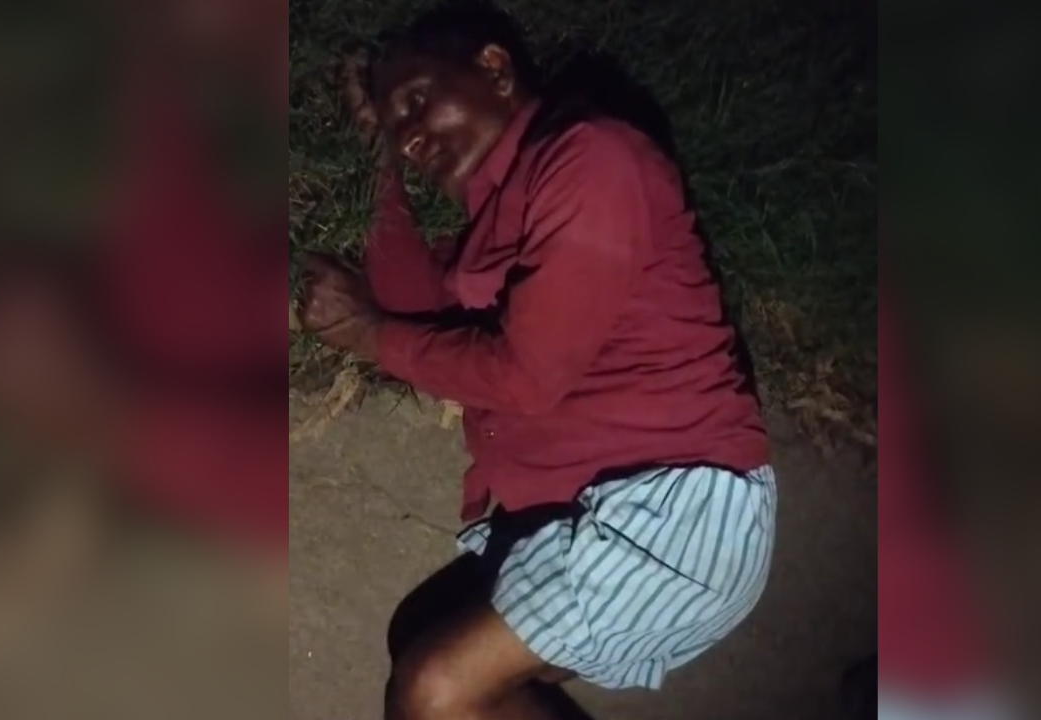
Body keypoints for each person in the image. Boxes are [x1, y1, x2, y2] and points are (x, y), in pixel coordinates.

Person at [295, 2, 776, 719]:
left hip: (673, 512)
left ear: (494, 69)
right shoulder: (500, 226)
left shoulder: (594, 159)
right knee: (432, 653)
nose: (411, 137)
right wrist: (378, 165)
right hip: (593, 512)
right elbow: (417, 312)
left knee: (436, 690)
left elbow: (525, 377)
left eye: (418, 101)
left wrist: (367, 334)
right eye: (397, 129)